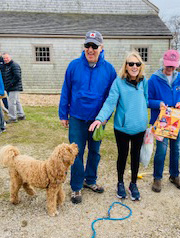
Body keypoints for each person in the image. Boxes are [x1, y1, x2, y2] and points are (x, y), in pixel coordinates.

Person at [59, 30, 117, 204]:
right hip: (77, 117)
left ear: (101, 47)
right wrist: (63, 113)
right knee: (76, 153)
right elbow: (66, 90)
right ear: (84, 47)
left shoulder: (109, 69)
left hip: (98, 120)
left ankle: (90, 180)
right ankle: (76, 186)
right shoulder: (73, 66)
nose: (90, 49)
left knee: (95, 151)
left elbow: (112, 97)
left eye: (94, 46)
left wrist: (106, 117)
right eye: (87, 45)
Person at [89, 51, 148, 201]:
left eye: (137, 64)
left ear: (140, 66)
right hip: (122, 128)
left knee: (135, 157)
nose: (134, 66)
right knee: (122, 156)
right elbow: (110, 103)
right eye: (131, 64)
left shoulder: (144, 81)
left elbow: (146, 100)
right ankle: (120, 183)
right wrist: (99, 119)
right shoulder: (118, 82)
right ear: (126, 66)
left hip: (140, 128)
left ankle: (133, 184)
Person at [148, 49, 180, 193]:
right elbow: (147, 100)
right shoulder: (153, 79)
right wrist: (157, 103)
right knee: (161, 150)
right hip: (162, 122)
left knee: (176, 149)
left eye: (172, 66)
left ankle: (174, 175)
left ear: (177, 65)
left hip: (177, 120)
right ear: (163, 63)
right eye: (167, 66)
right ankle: (157, 178)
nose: (169, 69)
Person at [2, 53, 25, 123]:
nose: (5, 59)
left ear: (10, 57)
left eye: (7, 58)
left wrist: (10, 84)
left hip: (14, 87)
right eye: (4, 58)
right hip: (12, 87)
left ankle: (12, 118)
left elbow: (17, 76)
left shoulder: (14, 65)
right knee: (17, 101)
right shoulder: (7, 66)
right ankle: (21, 115)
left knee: (11, 103)